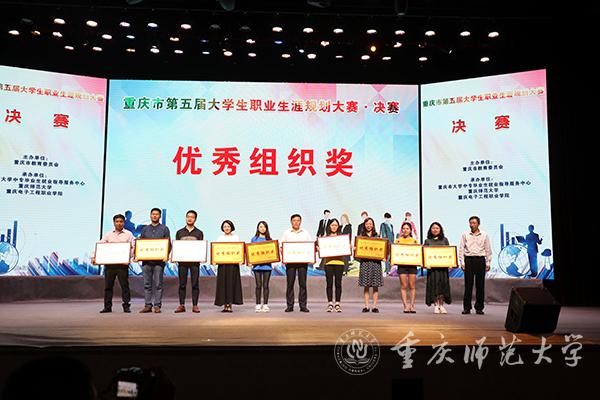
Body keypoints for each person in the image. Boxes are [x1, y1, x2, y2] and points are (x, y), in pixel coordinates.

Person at [94, 213, 134, 313]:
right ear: (114, 223)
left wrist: (128, 258)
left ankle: (126, 306)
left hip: (122, 265)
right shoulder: (108, 234)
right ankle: (107, 307)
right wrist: (94, 256)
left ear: (124, 223)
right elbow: (100, 246)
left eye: (121, 221)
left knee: (124, 286)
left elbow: (133, 248)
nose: (119, 223)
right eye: (117, 221)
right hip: (110, 265)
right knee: (108, 286)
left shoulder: (129, 234)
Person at [139, 208, 170, 314]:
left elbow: (168, 244)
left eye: (157, 214)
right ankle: (147, 305)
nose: (154, 216)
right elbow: (140, 244)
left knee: (158, 284)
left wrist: (166, 255)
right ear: (150, 215)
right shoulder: (145, 229)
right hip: (146, 261)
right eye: (153, 214)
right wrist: (138, 255)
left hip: (159, 262)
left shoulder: (164, 229)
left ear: (160, 216)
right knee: (147, 284)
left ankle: (157, 305)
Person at [458, 216, 492, 315]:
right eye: (470, 223)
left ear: (478, 224)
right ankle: (467, 307)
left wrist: (488, 262)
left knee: (480, 285)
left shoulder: (484, 235)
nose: (472, 225)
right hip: (469, 260)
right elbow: (461, 249)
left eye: (474, 223)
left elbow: (488, 249)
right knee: (468, 285)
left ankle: (479, 308)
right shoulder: (465, 234)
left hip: (480, 260)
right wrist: (462, 262)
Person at [281, 213, 312, 312]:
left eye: (298, 220)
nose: (296, 222)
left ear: (300, 222)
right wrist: (283, 256)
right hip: (290, 262)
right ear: (291, 222)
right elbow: (282, 247)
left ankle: (303, 305)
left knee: (302, 284)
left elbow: (310, 246)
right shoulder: (286, 233)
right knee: (290, 284)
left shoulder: (305, 233)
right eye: (294, 220)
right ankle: (290, 305)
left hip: (302, 262)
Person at [174, 210, 203, 313]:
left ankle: (195, 305)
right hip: (182, 262)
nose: (190, 218)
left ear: (195, 219)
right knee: (182, 284)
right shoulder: (179, 232)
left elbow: (200, 247)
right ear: (186, 218)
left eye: (192, 217)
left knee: (195, 284)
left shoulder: (199, 233)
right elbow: (176, 247)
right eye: (188, 216)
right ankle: (181, 305)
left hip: (195, 262)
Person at [317, 218, 347, 312]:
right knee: (329, 283)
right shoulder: (325, 238)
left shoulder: (342, 238)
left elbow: (345, 250)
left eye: (336, 225)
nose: (334, 227)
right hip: (328, 263)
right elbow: (321, 252)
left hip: (339, 263)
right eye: (332, 225)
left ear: (338, 227)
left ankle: (337, 303)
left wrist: (348, 247)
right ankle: (330, 303)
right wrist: (319, 250)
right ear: (329, 226)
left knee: (338, 284)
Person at [214, 220, 243, 312]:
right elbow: (216, 250)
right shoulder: (220, 238)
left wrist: (241, 259)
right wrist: (214, 260)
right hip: (222, 265)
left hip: (233, 265)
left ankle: (230, 304)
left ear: (231, 227)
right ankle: (224, 304)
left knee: (232, 283)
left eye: (228, 226)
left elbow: (239, 250)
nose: (226, 228)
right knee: (223, 284)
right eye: (225, 226)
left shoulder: (236, 237)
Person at [424, 222, 452, 314]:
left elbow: (449, 253)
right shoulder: (427, 241)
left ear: (440, 230)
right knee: (434, 286)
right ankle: (436, 305)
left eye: (437, 228)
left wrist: (450, 263)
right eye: (433, 228)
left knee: (442, 286)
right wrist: (426, 264)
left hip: (443, 268)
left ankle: (441, 305)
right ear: (430, 230)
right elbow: (424, 255)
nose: (435, 230)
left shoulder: (445, 240)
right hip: (432, 269)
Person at [357, 217, 383, 313]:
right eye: (367, 224)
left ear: (373, 225)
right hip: (365, 263)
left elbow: (382, 249)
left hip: (376, 263)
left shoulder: (377, 236)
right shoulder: (361, 236)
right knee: (366, 285)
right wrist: (356, 249)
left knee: (375, 285)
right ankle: (366, 306)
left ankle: (375, 306)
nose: (369, 225)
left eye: (370, 224)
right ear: (364, 225)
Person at [250, 221, 273, 312]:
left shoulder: (269, 240)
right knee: (258, 285)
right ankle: (258, 304)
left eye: (264, 227)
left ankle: (265, 304)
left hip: (267, 266)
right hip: (257, 266)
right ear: (258, 228)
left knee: (266, 285)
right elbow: (251, 252)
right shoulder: (254, 239)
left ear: (266, 228)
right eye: (260, 227)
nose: (262, 228)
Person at [395, 222, 418, 313]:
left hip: (412, 265)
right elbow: (395, 253)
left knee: (412, 286)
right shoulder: (398, 241)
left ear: (410, 230)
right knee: (403, 286)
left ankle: (412, 306)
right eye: (403, 228)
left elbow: (418, 253)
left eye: (407, 228)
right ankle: (405, 306)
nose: (405, 230)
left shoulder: (414, 241)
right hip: (402, 265)